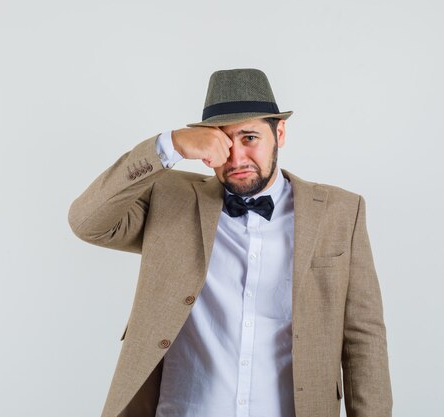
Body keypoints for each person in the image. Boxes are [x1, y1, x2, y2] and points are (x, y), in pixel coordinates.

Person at [68, 69, 392, 417]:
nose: (235, 159)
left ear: (279, 133)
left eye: (249, 138)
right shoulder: (170, 197)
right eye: (222, 142)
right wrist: (171, 145)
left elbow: (363, 337)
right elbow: (88, 222)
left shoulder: (340, 211)